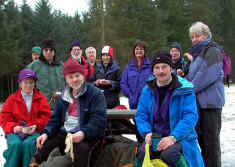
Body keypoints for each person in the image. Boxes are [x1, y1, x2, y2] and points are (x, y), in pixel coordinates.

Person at [29, 59, 106, 167]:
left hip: (87, 135)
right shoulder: (63, 96)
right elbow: (54, 120)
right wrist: (46, 133)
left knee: (81, 150)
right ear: (66, 79)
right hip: (65, 133)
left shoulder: (95, 94)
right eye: (70, 77)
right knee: (43, 146)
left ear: (83, 75)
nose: (74, 80)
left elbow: (98, 121)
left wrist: (83, 133)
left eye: (77, 75)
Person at [135, 50, 204, 167]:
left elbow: (190, 117)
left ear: (171, 68)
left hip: (181, 137)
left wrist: (173, 137)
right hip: (155, 137)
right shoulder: (147, 90)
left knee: (169, 154)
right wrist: (146, 133)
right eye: (157, 67)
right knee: (141, 153)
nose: (160, 71)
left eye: (164, 67)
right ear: (153, 71)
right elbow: (141, 115)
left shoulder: (185, 89)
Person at [185, 21, 225, 167]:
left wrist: (188, 88)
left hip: (210, 104)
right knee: (202, 141)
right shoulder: (199, 53)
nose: (195, 39)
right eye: (192, 37)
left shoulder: (213, 51)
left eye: (198, 36)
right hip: (199, 104)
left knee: (211, 144)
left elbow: (206, 76)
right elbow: (193, 75)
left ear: (206, 35)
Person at [0, 69, 51, 167]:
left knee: (29, 145)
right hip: (16, 131)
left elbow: (46, 117)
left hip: (34, 131)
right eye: (25, 82)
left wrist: (36, 125)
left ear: (34, 83)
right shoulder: (12, 99)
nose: (28, 85)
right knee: (15, 145)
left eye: (31, 82)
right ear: (20, 83)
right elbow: (4, 119)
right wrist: (15, 128)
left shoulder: (41, 98)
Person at [27, 40, 64, 105]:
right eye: (46, 50)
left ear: (54, 52)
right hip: (40, 106)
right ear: (42, 52)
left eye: (51, 50)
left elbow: (68, 85)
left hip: (60, 106)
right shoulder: (34, 66)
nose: (48, 52)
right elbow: (24, 85)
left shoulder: (61, 66)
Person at [121, 41, 152, 109]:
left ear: (145, 51)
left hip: (147, 102)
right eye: (137, 49)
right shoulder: (129, 67)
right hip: (133, 103)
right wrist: (130, 95)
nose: (139, 51)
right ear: (134, 51)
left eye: (141, 49)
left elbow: (154, 82)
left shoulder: (151, 67)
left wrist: (148, 95)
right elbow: (123, 83)